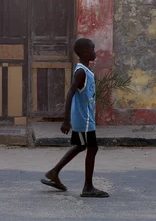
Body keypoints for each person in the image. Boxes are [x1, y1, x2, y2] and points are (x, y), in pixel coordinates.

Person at [40, 38, 109, 198]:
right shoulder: (81, 72)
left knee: (81, 146)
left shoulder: (84, 70)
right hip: (83, 120)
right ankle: (88, 187)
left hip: (85, 118)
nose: (95, 52)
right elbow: (70, 93)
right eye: (93, 49)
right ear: (85, 52)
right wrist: (66, 120)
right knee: (92, 147)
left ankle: (54, 172)